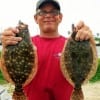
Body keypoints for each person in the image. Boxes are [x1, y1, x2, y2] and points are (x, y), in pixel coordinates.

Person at [1, 0, 93, 100]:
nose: (48, 15)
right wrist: (7, 46)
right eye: (42, 12)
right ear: (36, 18)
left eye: (53, 12)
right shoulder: (21, 43)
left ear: (60, 17)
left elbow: (88, 60)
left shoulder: (70, 44)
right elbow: (7, 71)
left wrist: (89, 41)